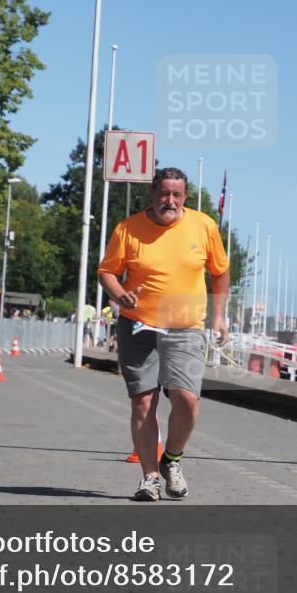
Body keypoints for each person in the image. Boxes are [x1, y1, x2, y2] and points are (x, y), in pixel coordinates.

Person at [98, 167, 229, 501]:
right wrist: (118, 294)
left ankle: (172, 458)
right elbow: (107, 272)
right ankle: (150, 477)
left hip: (186, 325)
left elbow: (220, 272)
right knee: (144, 401)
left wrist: (220, 317)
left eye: (176, 195)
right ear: (152, 195)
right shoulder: (128, 229)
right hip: (138, 324)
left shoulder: (204, 226)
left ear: (184, 197)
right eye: (163, 194)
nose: (169, 201)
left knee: (186, 399)